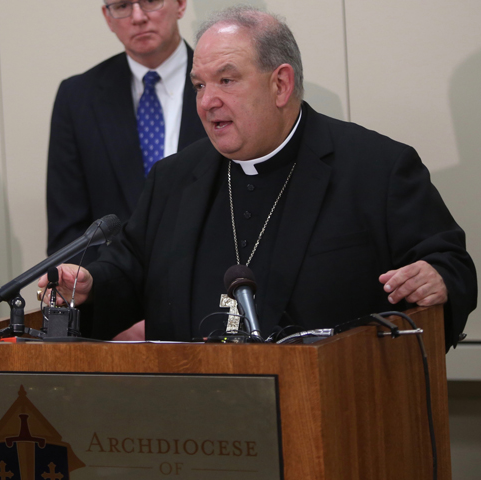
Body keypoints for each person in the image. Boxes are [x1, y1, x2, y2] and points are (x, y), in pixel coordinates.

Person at [39, 6, 477, 351]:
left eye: (226, 80)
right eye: (198, 85)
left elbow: (449, 264)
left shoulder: (377, 167)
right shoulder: (173, 179)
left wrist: (438, 277)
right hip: (192, 421)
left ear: (281, 85)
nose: (207, 102)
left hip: (336, 416)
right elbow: (131, 271)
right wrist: (91, 285)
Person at [46, 0, 207, 262]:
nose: (138, 16)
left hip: (212, 287)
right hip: (112, 291)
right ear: (108, 17)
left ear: (179, 4)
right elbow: (67, 235)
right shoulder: (77, 98)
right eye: (122, 5)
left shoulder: (224, 86)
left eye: (150, 1)